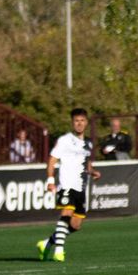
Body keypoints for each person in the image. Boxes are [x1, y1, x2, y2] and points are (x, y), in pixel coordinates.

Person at [36, 108, 99, 262]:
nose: (79, 123)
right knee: (66, 214)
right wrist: (50, 181)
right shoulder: (64, 140)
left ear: (86, 122)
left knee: (76, 225)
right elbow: (52, 160)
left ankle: (47, 243)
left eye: (82, 120)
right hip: (67, 185)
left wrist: (93, 172)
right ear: (72, 123)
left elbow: (85, 163)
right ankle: (59, 251)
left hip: (81, 188)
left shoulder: (88, 143)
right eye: (76, 121)